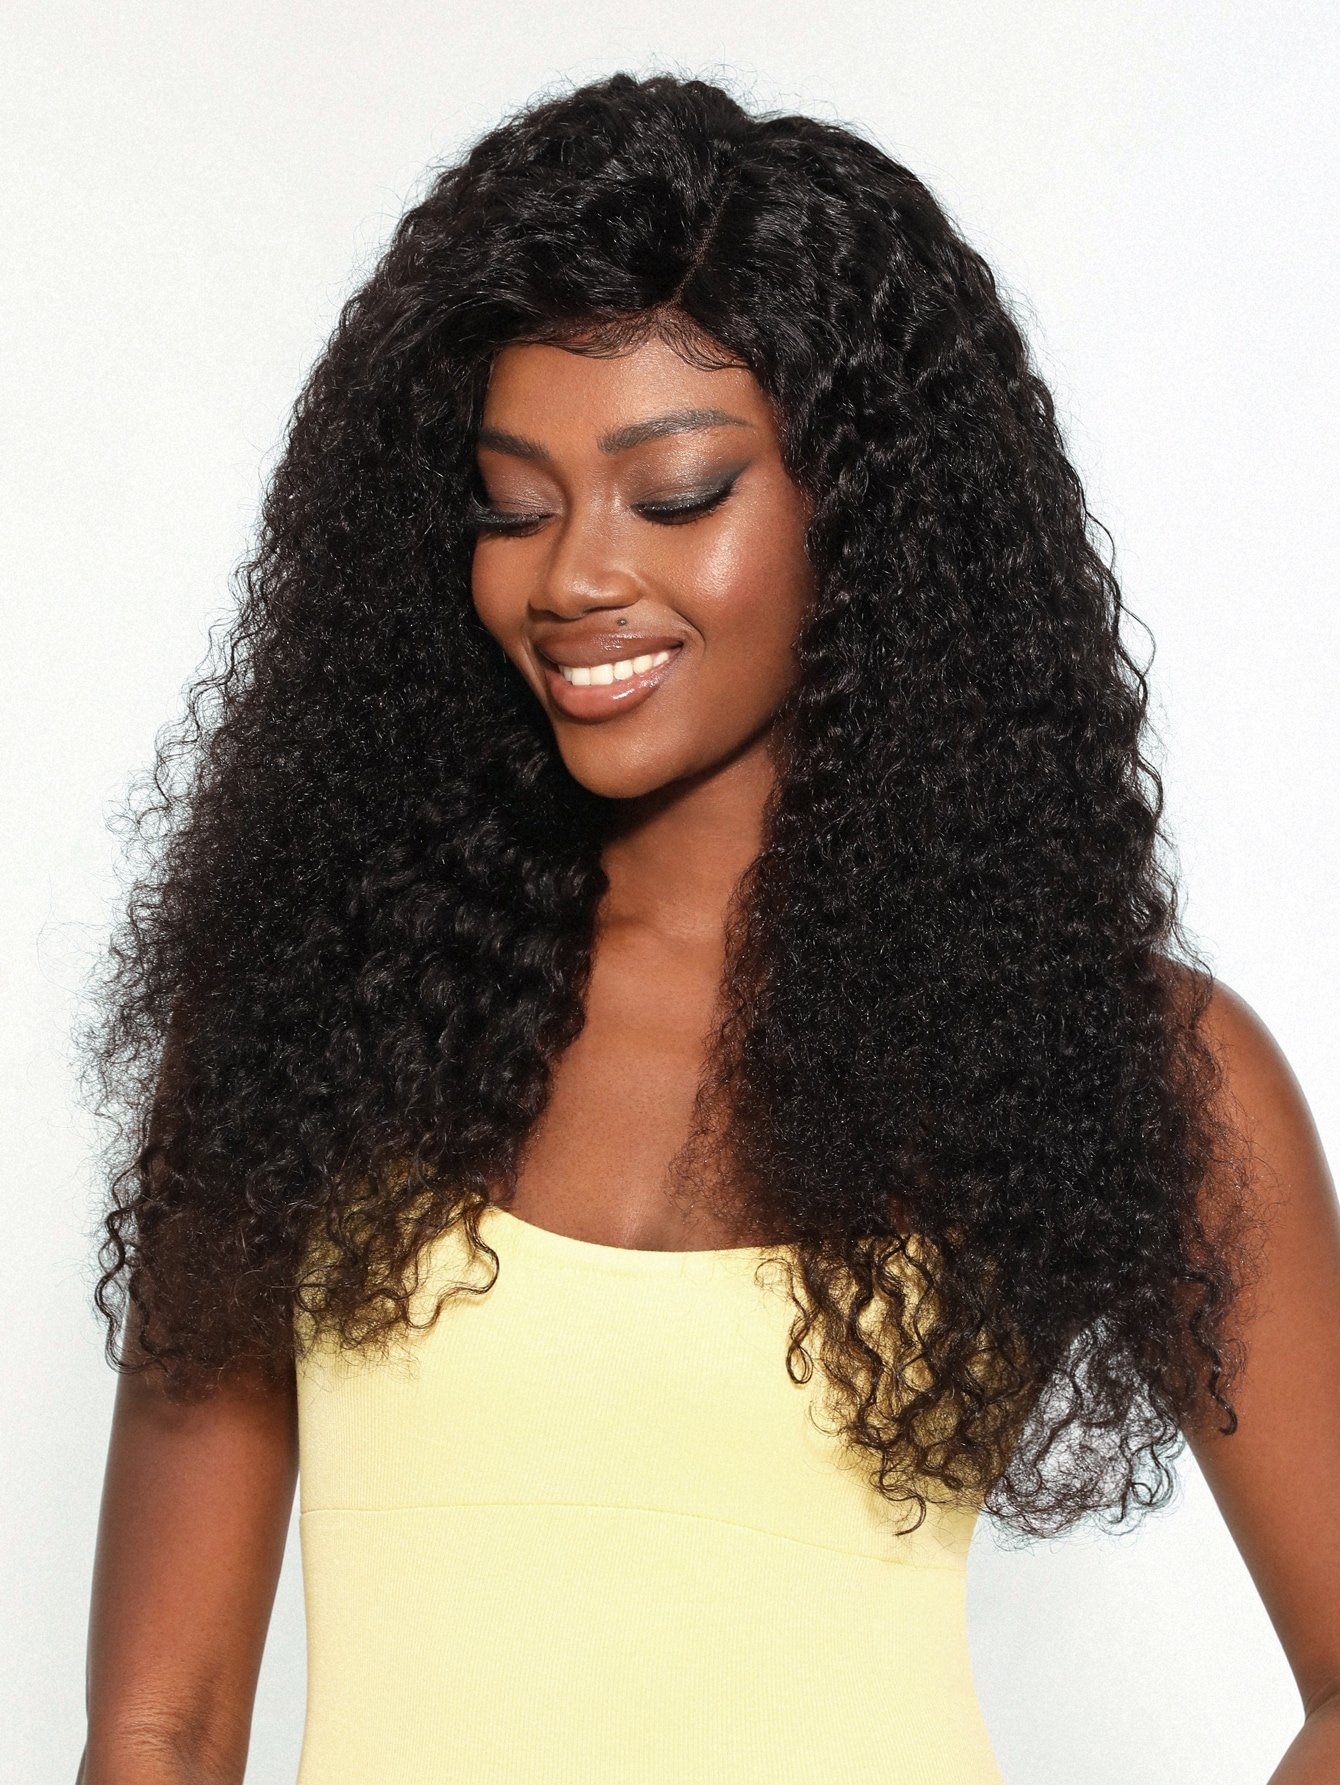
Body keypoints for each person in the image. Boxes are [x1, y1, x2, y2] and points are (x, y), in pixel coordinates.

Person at [77, 71, 1340, 1785]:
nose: (571, 577)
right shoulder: (316, 1013)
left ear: (862, 516)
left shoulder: (1117, 1056)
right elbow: (159, 1724)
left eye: (672, 495)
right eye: (513, 503)